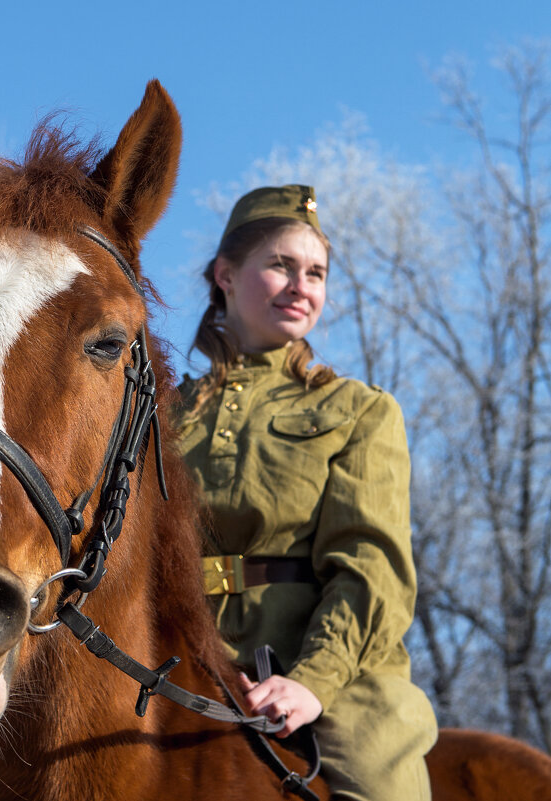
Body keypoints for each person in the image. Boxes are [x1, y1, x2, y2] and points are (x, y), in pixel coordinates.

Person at [177, 186, 437, 800]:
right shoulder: (160, 415)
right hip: (173, 656)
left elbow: (371, 568)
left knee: (381, 787)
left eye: (315, 272)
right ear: (226, 275)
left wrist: (313, 682)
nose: (302, 286)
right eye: (280, 266)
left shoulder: (357, 411)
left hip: (325, 669)